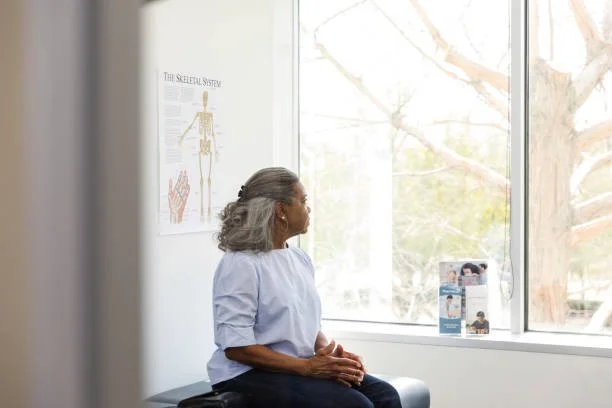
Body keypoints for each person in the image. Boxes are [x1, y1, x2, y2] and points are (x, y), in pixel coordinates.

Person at [206, 167, 402, 408]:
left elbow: (305, 325)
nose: (308, 208)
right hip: (245, 375)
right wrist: (307, 368)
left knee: (386, 396)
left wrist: (332, 355)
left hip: (296, 365)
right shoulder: (240, 264)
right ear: (281, 210)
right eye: (303, 200)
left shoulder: (299, 258)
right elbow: (237, 348)